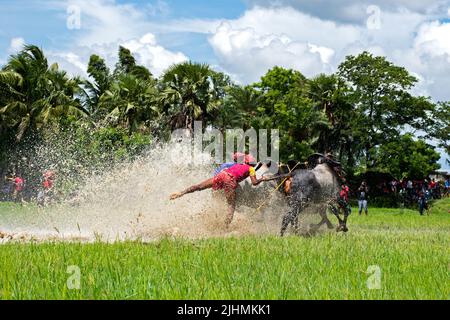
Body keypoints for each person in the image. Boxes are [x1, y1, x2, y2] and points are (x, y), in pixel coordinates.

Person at [170, 153, 268, 227]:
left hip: (222, 175)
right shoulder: (251, 169)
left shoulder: (236, 164)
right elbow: (254, 183)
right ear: (253, 164)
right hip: (230, 180)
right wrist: (262, 179)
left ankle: (181, 193)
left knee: (199, 186)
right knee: (231, 206)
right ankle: (225, 226)